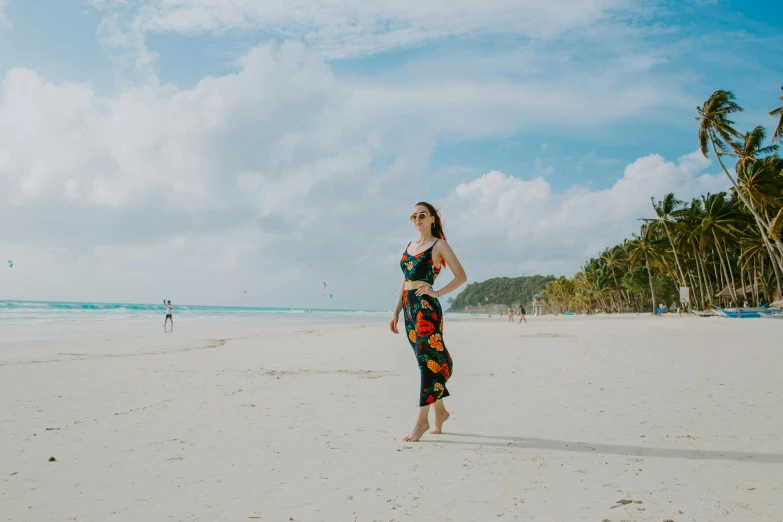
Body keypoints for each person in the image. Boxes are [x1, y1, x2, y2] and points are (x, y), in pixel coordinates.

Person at [390, 202, 467, 442]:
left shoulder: (439, 245)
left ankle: (422, 421)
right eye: (413, 216)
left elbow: (461, 276)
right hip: (409, 309)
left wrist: (437, 292)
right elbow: (405, 281)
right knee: (427, 361)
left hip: (426, 309)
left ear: (432, 218)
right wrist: (395, 312)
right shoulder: (409, 246)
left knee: (426, 362)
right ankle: (440, 412)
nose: (417, 219)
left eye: (422, 215)